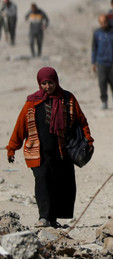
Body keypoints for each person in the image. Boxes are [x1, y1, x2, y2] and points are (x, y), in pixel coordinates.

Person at [6, 67, 94, 228]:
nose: (47, 86)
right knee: (42, 181)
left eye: (50, 83)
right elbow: (21, 126)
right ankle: (44, 217)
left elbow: (81, 120)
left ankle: (53, 218)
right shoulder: (32, 102)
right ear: (40, 84)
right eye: (44, 83)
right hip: (38, 151)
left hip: (62, 151)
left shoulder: (68, 99)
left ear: (56, 81)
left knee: (59, 183)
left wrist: (88, 139)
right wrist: (12, 148)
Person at [92, 14, 113, 109]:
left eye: (105, 22)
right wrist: (93, 62)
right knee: (102, 82)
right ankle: (104, 101)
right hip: (101, 62)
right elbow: (94, 48)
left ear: (108, 21)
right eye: (101, 23)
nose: (103, 24)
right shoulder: (97, 34)